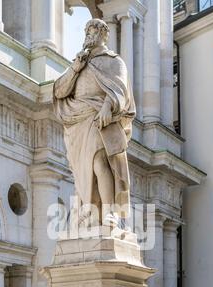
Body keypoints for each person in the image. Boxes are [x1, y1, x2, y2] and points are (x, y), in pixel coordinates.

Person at [53, 18, 135, 229]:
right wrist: (74, 68)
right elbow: (60, 91)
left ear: (104, 34)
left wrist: (108, 106)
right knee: (83, 170)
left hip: (99, 118)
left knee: (100, 162)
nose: (89, 35)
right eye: (87, 31)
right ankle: (90, 212)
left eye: (94, 31)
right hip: (77, 122)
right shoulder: (80, 61)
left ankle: (110, 213)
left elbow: (120, 90)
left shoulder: (114, 61)